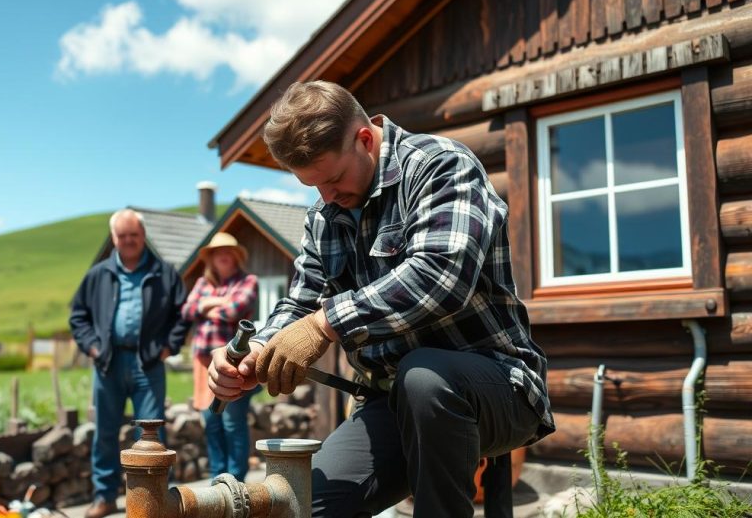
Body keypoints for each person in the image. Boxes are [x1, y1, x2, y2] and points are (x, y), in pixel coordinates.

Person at [208, 81, 555, 518]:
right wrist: (260, 349)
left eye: (332, 179)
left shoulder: (440, 166)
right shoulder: (325, 216)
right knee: (304, 507)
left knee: (424, 377)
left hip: (498, 387)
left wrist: (323, 325)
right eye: (313, 186)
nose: (326, 198)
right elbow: (300, 303)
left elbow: (440, 276)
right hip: (390, 401)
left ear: (366, 139)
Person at [69, 208, 191, 518]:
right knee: (105, 433)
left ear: (143, 236)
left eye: (134, 235)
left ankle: (156, 501)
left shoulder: (164, 272)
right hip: (108, 363)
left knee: (150, 436)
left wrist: (167, 348)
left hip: (148, 364)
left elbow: (183, 314)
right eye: (122, 236)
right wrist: (93, 348)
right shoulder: (98, 274)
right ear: (113, 238)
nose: (129, 241)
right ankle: (104, 497)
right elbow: (78, 316)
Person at [181, 232, 259, 482]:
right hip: (203, 363)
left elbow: (234, 310)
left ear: (236, 256)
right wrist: (216, 301)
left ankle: (235, 479)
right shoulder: (204, 283)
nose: (223, 256)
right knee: (210, 421)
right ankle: (218, 476)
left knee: (233, 423)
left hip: (232, 362)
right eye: (218, 252)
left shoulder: (248, 281)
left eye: (228, 251)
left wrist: (205, 306)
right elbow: (187, 310)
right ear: (212, 258)